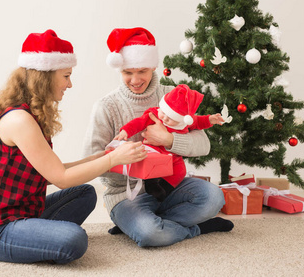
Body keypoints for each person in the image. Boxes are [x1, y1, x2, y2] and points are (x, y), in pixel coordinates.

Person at [0, 29, 147, 264]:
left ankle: (36, 237)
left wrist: (100, 157)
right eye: (66, 75)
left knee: (85, 193)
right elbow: (61, 178)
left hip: (24, 212)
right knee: (74, 240)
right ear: (45, 76)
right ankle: (40, 238)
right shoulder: (19, 120)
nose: (69, 84)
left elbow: (51, 172)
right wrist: (113, 160)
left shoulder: (28, 114)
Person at [83, 27, 233, 247]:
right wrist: (122, 161)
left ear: (154, 66)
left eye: (142, 71)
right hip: (127, 196)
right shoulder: (106, 106)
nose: (135, 80)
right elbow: (90, 158)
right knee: (150, 234)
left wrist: (168, 141)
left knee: (214, 197)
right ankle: (195, 229)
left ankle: (142, 225)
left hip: (171, 185)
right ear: (119, 70)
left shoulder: (172, 96)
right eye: (127, 72)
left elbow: (204, 145)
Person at [113, 84, 225, 201]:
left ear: (181, 119)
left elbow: (199, 121)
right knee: (152, 164)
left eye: (171, 118)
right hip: (154, 150)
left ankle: (166, 189)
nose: (165, 119)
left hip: (173, 156)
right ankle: (151, 184)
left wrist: (210, 120)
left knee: (181, 171)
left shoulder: (184, 122)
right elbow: (138, 123)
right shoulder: (154, 115)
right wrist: (125, 131)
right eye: (164, 113)